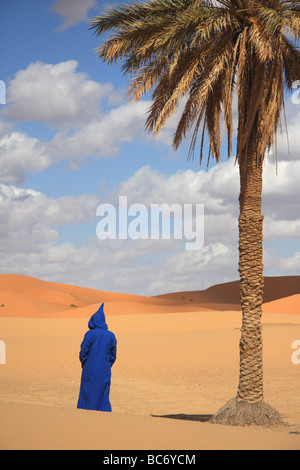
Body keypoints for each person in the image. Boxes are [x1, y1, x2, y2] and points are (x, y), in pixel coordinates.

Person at [77, 303, 117, 412]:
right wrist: (107, 365)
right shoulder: (111, 335)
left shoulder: (90, 334)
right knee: (103, 392)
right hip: (104, 370)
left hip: (89, 369)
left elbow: (83, 352)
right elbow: (113, 355)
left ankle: (86, 412)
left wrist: (85, 363)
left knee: (88, 392)